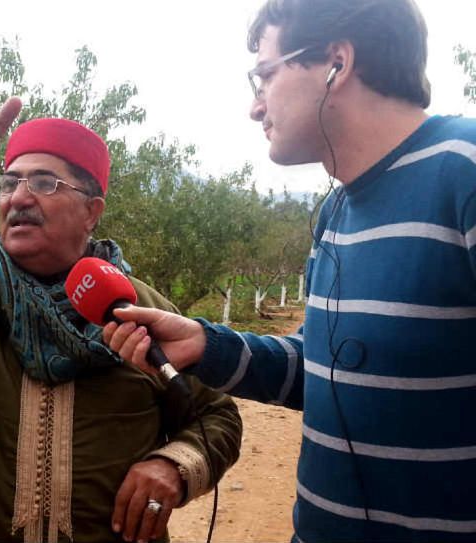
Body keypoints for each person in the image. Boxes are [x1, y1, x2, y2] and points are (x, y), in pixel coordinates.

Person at [102, 0, 476, 542]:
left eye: (264, 76)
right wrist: (203, 345)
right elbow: (324, 370)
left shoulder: (463, 171)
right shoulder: (335, 212)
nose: (256, 107)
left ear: (336, 63)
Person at [0, 98, 242, 543]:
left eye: (44, 183)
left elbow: (217, 416)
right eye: (10, 182)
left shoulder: (144, 312)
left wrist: (174, 465)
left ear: (92, 211)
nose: (19, 197)